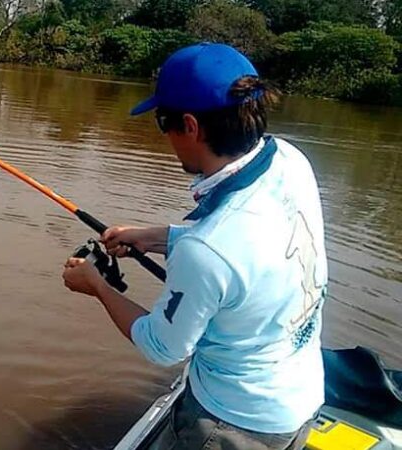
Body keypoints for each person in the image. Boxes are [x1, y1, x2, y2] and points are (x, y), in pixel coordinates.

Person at [62, 43, 328, 450]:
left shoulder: (207, 250)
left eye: (161, 122)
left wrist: (96, 285)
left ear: (189, 126)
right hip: (302, 398)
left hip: (231, 424)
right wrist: (154, 237)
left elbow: (162, 346)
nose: (165, 136)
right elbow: (250, 248)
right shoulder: (291, 162)